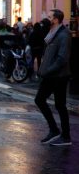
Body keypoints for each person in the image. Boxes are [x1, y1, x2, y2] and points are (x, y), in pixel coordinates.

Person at [35, 9, 72, 146]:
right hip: (52, 75)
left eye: (49, 17)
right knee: (50, 102)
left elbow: (62, 58)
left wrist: (47, 71)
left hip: (58, 76)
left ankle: (62, 134)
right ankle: (58, 132)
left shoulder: (63, 35)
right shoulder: (52, 33)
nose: (46, 18)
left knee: (52, 103)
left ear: (56, 19)